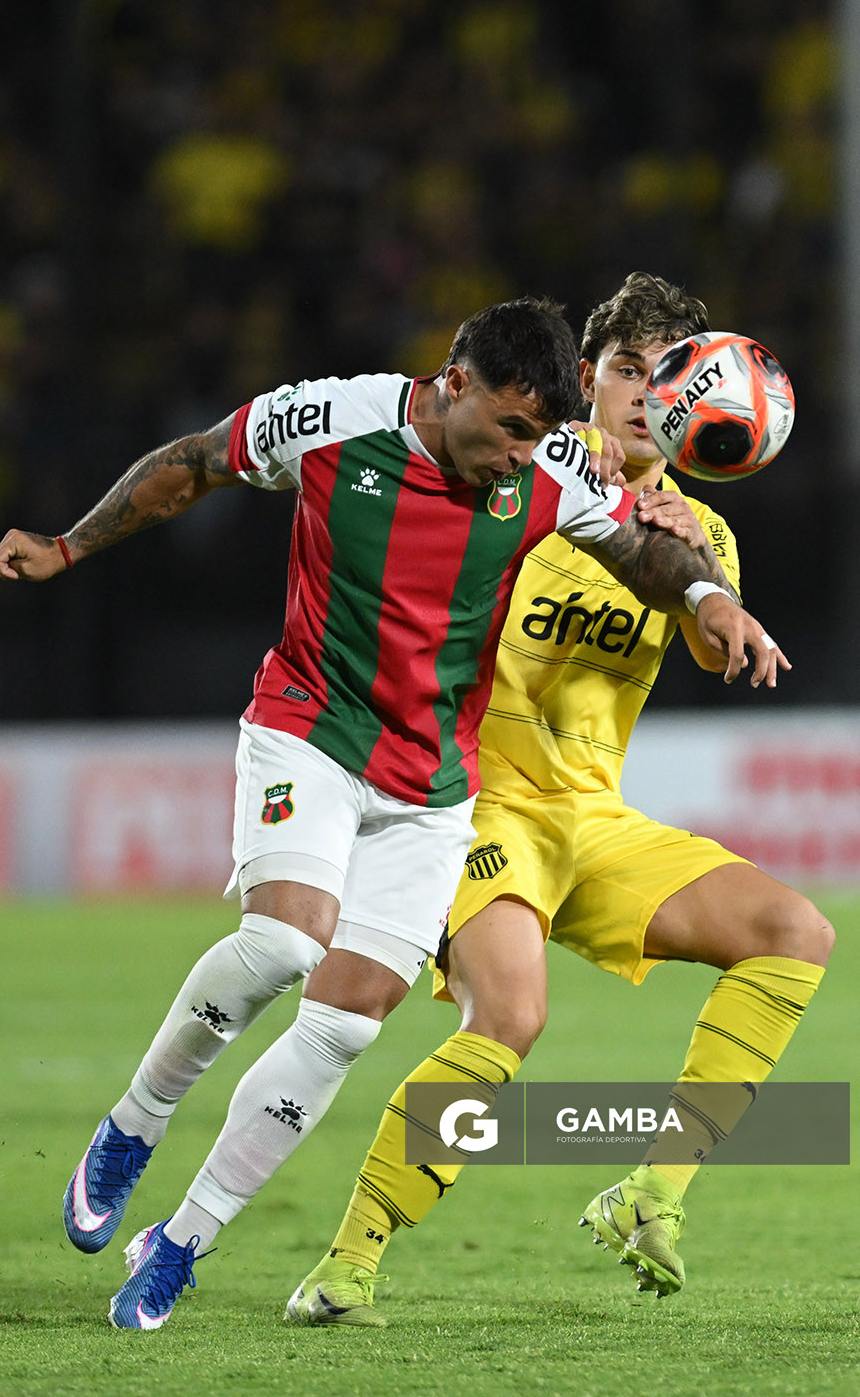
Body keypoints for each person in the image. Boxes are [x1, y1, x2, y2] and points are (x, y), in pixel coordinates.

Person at [0, 294, 784, 1332]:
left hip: (436, 782)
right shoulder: (331, 418)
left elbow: (647, 554)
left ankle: (183, 1241)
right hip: (313, 730)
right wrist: (69, 546)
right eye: (509, 428)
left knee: (344, 1024)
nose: (519, 455)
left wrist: (709, 595)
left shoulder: (557, 468)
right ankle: (134, 1126)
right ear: (454, 383)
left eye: (537, 436)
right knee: (286, 943)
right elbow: (193, 462)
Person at [285, 273, 831, 1328]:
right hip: (480, 800)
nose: (647, 396)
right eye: (628, 370)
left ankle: (651, 1192)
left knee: (794, 933)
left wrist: (686, 554)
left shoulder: (699, 534)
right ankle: (348, 1264)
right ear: (585, 377)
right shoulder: (515, 475)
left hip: (593, 817)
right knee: (510, 1016)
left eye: (671, 377)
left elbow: (716, 646)